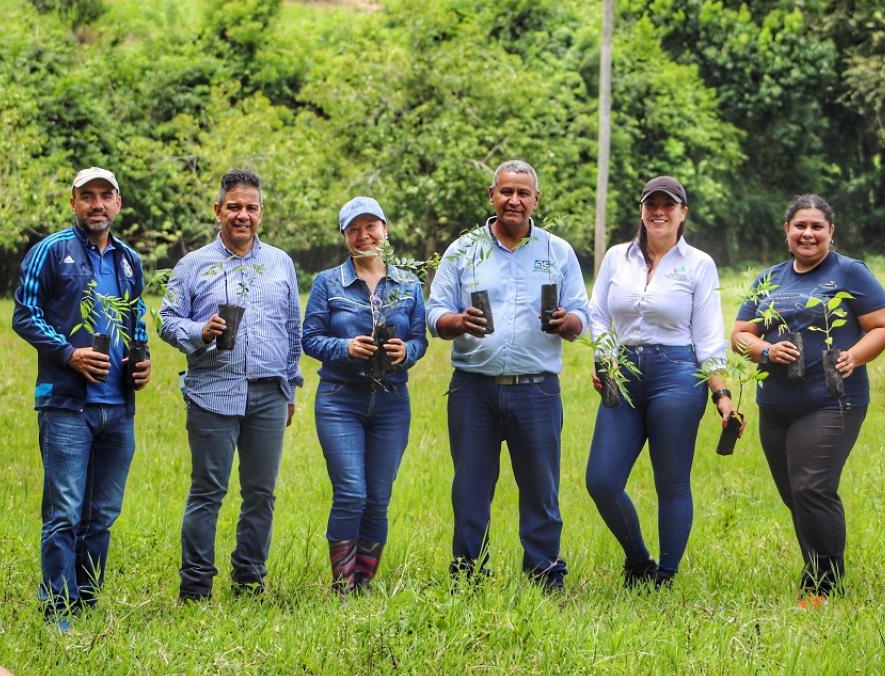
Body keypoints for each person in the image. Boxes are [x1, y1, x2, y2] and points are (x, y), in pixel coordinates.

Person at [425, 159, 588, 592]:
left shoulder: (558, 251)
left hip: (536, 390)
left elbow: (582, 317)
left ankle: (544, 574)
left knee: (541, 490)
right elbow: (434, 312)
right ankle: (469, 576)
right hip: (473, 390)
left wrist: (566, 322)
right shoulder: (463, 251)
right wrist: (458, 322)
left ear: (536, 200)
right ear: (492, 196)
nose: (514, 200)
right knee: (471, 491)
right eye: (506, 192)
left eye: (523, 193)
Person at [731, 194, 885, 608]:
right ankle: (819, 569)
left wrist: (854, 356)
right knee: (794, 494)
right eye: (800, 226)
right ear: (787, 231)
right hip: (776, 403)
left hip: (832, 398)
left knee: (812, 486)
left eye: (816, 227)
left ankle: (823, 582)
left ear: (830, 233)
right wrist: (765, 351)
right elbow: (740, 333)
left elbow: (882, 328)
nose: (808, 233)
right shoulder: (769, 278)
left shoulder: (849, 273)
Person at [12, 167, 152, 630]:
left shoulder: (130, 261)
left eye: (105, 195)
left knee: (103, 514)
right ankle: (57, 612)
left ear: (118, 203)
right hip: (67, 404)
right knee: (64, 512)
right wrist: (69, 353)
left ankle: (86, 604)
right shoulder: (50, 251)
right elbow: (25, 315)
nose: (97, 204)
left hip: (117, 408)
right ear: (73, 202)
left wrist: (142, 360)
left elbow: (137, 324)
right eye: (86, 196)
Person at [159, 169, 303, 601]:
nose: (242, 215)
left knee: (261, 493)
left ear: (262, 213)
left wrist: (291, 387)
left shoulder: (280, 262)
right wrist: (201, 331)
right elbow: (167, 319)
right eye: (234, 207)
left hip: (268, 394)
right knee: (208, 491)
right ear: (218, 210)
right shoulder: (193, 264)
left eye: (251, 208)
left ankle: (249, 580)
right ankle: (196, 586)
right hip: (212, 392)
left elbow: (292, 329)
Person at [585, 176, 735, 589]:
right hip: (625, 372)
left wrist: (721, 394)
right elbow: (597, 314)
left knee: (670, 480)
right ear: (641, 209)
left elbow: (708, 336)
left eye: (669, 205)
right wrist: (605, 357)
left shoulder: (698, 264)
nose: (659, 211)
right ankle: (638, 559)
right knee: (601, 479)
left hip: (677, 374)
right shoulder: (618, 257)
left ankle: (665, 576)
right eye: (652, 203)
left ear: (682, 213)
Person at [301, 196, 427, 594]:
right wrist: (344, 349)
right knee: (352, 491)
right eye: (354, 228)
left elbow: (420, 338)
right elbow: (310, 338)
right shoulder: (327, 283)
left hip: (392, 400)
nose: (364, 235)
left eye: (371, 226)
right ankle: (342, 584)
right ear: (344, 236)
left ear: (385, 230)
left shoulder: (407, 282)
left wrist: (406, 352)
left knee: (378, 496)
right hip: (341, 398)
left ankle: (363, 582)